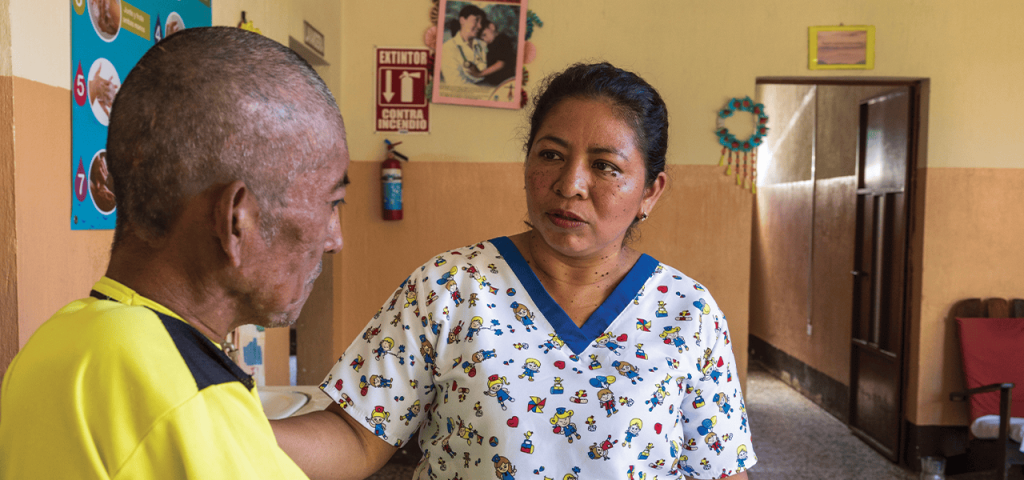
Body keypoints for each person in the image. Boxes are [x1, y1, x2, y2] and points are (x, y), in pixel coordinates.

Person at [273, 62, 756, 480]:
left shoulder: (688, 312)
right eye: (551, 155)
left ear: (651, 191)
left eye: (606, 166)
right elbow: (355, 436)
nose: (570, 184)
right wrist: (221, 425)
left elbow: (720, 469)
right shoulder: (449, 287)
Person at [0, 27, 349, 479]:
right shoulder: (192, 400)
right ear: (237, 221)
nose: (334, 239)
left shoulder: (55, 344)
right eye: (331, 204)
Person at [439, 5, 487, 87]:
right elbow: (456, 83)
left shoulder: (483, 45)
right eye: (476, 21)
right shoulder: (447, 48)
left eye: (481, 22)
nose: (480, 26)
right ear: (462, 20)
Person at [477, 18, 517, 87]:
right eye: (482, 39)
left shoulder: (502, 39)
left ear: (492, 27)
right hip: (494, 81)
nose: (485, 40)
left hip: (505, 80)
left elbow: (500, 64)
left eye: (484, 35)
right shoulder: (491, 44)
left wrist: (480, 74)